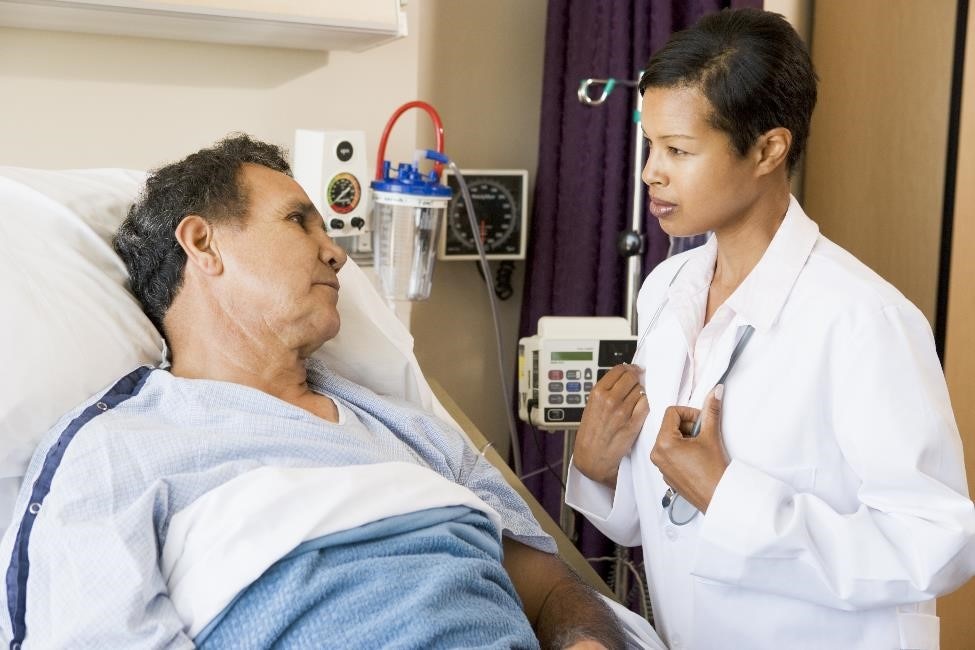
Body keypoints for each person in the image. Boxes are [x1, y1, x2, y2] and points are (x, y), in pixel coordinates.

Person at [0, 134, 625, 649]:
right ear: (202, 243)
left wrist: (588, 644)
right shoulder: (118, 447)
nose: (337, 255)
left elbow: (550, 590)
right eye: (299, 221)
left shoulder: (411, 431)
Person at [566, 8, 975, 650]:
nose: (651, 171)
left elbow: (936, 545)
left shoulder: (864, 318)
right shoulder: (666, 290)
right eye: (651, 145)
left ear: (767, 150)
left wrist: (730, 496)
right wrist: (598, 468)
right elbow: (669, 519)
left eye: (678, 150)